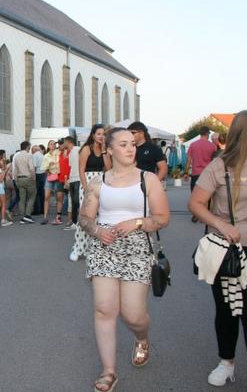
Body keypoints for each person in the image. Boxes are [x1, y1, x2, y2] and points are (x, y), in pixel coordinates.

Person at [79, 127, 170, 392]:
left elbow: (163, 218)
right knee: (104, 309)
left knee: (133, 314)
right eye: (123, 144)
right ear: (109, 149)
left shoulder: (148, 179)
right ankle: (109, 371)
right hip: (104, 247)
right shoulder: (98, 183)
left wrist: (138, 222)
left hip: (137, 247)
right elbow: (85, 218)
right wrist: (97, 230)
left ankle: (141, 337)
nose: (131, 149)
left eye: (132, 144)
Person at [188, 110, 247, 391]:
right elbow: (196, 203)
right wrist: (220, 224)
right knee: (226, 313)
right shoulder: (220, 166)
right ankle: (227, 362)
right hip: (229, 253)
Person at [69, 124, 111, 261]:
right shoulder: (86, 149)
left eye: (104, 134)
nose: (101, 136)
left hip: (101, 183)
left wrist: (104, 150)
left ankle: (91, 248)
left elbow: (109, 168)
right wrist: (86, 188)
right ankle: (77, 248)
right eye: (99, 134)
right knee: (86, 217)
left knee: (99, 218)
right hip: (87, 183)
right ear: (93, 135)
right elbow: (81, 169)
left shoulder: (104, 149)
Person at [185, 126, 217, 222]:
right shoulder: (212, 146)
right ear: (207, 134)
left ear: (200, 134)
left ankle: (196, 214)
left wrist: (186, 172)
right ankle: (205, 215)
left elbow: (189, 160)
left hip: (196, 173)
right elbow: (215, 161)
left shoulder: (193, 145)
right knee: (207, 195)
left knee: (195, 195)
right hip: (208, 174)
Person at [12, 141, 37, 224]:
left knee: (22, 198)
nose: (29, 148)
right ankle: (27, 215)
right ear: (27, 147)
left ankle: (23, 217)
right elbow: (32, 168)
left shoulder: (16, 157)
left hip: (19, 179)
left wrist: (15, 180)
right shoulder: (29, 155)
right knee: (32, 196)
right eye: (29, 147)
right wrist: (34, 178)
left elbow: (15, 170)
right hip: (28, 178)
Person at [41, 140, 63, 225]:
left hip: (58, 176)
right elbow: (43, 167)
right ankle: (45, 217)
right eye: (51, 144)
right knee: (46, 197)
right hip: (50, 177)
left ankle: (58, 215)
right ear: (48, 146)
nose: (53, 145)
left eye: (54, 144)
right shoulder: (46, 155)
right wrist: (48, 168)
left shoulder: (58, 153)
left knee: (58, 197)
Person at [64, 136, 80, 231]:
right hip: (73, 179)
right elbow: (71, 167)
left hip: (78, 178)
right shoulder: (70, 153)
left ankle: (79, 222)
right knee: (74, 202)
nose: (63, 144)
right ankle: (74, 222)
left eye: (64, 142)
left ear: (68, 142)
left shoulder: (78, 149)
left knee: (77, 201)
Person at [32, 144, 46, 215]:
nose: (32, 151)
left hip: (37, 175)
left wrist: (33, 177)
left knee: (35, 193)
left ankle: (36, 210)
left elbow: (34, 167)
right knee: (42, 194)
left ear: (34, 150)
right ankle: (43, 210)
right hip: (43, 175)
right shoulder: (42, 155)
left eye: (32, 150)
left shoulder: (35, 155)